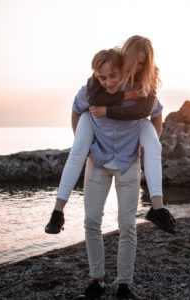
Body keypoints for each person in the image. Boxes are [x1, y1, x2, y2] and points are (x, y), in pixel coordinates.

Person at [45, 35, 175, 237]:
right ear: (124, 60)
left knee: (154, 146)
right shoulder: (100, 81)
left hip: (130, 147)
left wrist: (147, 143)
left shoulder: (145, 84)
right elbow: (82, 104)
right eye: (132, 63)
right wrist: (85, 139)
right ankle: (57, 211)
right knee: (78, 147)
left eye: (141, 64)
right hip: (97, 142)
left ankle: (158, 208)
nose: (135, 68)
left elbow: (153, 111)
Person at [74, 48, 159, 299]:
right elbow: (76, 110)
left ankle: (124, 284)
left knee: (127, 225)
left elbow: (156, 113)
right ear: (96, 77)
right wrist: (83, 143)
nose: (109, 82)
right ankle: (97, 281)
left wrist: (151, 141)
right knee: (91, 221)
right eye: (103, 78)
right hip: (97, 162)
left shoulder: (139, 92)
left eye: (113, 76)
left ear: (123, 71)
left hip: (129, 162)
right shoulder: (87, 92)